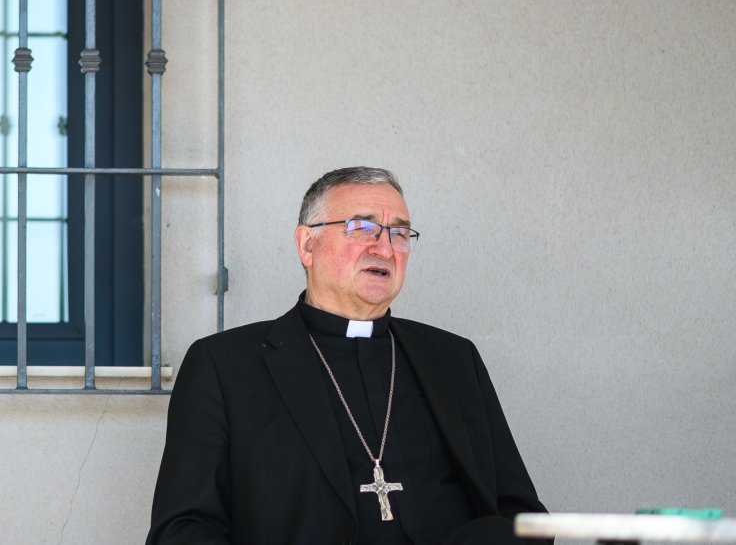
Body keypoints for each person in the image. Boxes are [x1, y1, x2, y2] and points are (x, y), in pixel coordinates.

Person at [147, 167, 549, 545]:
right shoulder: (224, 366)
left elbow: (521, 514)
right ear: (308, 244)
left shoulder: (454, 359)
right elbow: (183, 530)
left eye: (400, 233)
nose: (385, 248)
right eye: (363, 227)